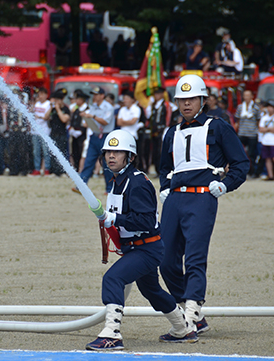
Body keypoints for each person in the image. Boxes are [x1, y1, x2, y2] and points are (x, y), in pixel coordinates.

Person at [86, 130, 197, 351]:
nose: (111, 156)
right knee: (152, 291)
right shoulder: (118, 180)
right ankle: (183, 329)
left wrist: (113, 218)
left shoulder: (136, 182)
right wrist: (110, 222)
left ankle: (112, 334)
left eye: (118, 152)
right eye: (108, 151)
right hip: (136, 248)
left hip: (147, 249)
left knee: (113, 279)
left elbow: (146, 221)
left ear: (130, 156)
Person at [159, 74, 249, 334]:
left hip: (202, 197)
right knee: (165, 261)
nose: (186, 104)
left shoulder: (217, 126)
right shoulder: (171, 132)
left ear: (203, 99)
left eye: (192, 99)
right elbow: (164, 167)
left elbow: (241, 163)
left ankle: (190, 314)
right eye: (182, 99)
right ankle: (193, 314)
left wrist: (225, 185)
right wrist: (165, 189)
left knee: (195, 258)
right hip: (174, 199)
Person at [74, 86, 115, 193]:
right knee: (89, 161)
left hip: (106, 136)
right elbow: (86, 122)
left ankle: (110, 188)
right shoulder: (93, 106)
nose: (94, 97)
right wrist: (85, 117)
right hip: (95, 135)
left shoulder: (108, 107)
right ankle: (81, 186)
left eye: (96, 95)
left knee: (107, 164)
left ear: (102, 96)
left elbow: (105, 121)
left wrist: (92, 116)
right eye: (94, 94)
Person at [147, 87, 176, 176]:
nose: (157, 96)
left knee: (161, 150)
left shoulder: (167, 105)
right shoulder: (153, 105)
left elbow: (169, 116)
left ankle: (162, 170)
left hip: (163, 129)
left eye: (158, 94)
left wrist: (167, 126)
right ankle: (156, 169)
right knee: (155, 151)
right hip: (155, 130)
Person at [235, 89, 261, 177]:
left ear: (252, 96)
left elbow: (258, 120)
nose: (246, 97)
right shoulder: (240, 107)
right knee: (239, 153)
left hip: (252, 134)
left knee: (252, 154)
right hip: (242, 133)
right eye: (245, 95)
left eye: (248, 95)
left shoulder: (256, 108)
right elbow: (238, 120)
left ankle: (252, 171)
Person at [116, 92, 144, 170]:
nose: (125, 101)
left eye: (127, 99)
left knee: (134, 155)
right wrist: (128, 121)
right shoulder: (122, 109)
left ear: (132, 100)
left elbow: (133, 122)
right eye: (124, 99)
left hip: (133, 135)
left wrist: (123, 121)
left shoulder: (136, 109)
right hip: (123, 135)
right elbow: (118, 122)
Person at [47, 88, 70, 176]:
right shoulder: (52, 110)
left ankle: (62, 171)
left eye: (57, 100)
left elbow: (64, 119)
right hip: (53, 133)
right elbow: (46, 117)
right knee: (53, 153)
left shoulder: (65, 109)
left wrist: (58, 109)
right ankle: (54, 171)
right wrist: (51, 108)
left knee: (62, 153)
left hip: (62, 134)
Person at [258, 99, 274, 180]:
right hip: (265, 141)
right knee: (267, 159)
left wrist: (267, 129)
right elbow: (261, 129)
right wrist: (270, 129)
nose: (269, 109)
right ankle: (270, 175)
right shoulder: (264, 117)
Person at [30, 87, 52, 176]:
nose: (41, 96)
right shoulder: (36, 104)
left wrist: (39, 117)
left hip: (45, 131)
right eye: (39, 94)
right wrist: (35, 102)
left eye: (42, 94)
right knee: (36, 151)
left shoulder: (48, 104)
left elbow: (46, 117)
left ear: (46, 95)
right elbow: (31, 112)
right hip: (35, 131)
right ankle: (37, 168)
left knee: (46, 151)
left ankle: (47, 169)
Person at [69, 90, 89, 172]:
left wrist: (81, 131)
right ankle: (76, 168)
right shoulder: (76, 109)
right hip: (74, 133)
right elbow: (73, 120)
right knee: (74, 152)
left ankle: (82, 169)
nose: (76, 101)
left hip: (83, 134)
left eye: (77, 99)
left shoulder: (87, 109)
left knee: (82, 152)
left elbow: (86, 123)